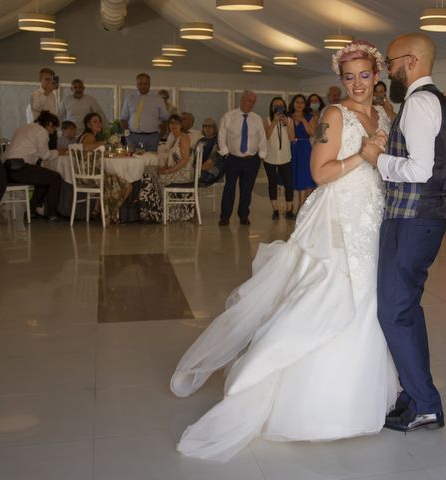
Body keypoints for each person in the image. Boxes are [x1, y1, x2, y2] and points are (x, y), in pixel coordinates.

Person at [170, 40, 397, 462]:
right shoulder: (334, 114)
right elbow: (319, 172)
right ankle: (296, 397)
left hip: (373, 214)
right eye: (350, 77)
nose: (358, 84)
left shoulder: (384, 113)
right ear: (340, 81)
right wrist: (362, 157)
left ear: (377, 75)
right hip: (338, 218)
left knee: (368, 302)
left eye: (365, 75)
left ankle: (356, 401)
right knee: (327, 297)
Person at [360, 32, 446, 432]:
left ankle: (424, 404)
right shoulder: (436, 102)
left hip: (412, 219)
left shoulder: (419, 103)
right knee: (406, 311)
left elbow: (419, 170)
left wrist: (377, 158)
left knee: (395, 312)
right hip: (424, 219)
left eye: (390, 60)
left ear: (412, 61)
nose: (387, 68)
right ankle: (414, 395)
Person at [217, 90, 267, 226]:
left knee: (247, 190)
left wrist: (261, 156)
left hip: (252, 160)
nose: (251, 104)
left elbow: (262, 138)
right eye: (248, 101)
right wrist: (225, 153)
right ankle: (225, 217)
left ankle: (243, 215)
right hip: (232, 159)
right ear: (242, 100)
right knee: (229, 188)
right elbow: (221, 136)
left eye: (253, 102)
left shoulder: (257, 119)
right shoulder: (229, 116)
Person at [2, 111, 64, 222]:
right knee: (55, 178)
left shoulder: (24, 127)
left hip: (5, 170)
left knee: (44, 177)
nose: (53, 131)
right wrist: (58, 152)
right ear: (49, 124)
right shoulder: (41, 132)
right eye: (54, 128)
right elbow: (45, 155)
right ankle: (52, 214)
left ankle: (31, 210)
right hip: (20, 168)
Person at [138, 114, 195, 222]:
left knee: (148, 175)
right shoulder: (175, 138)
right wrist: (163, 168)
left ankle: (154, 211)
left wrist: (168, 171)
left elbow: (185, 160)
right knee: (147, 170)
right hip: (176, 171)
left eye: (176, 123)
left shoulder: (183, 138)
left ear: (181, 125)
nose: (173, 125)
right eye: (171, 123)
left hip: (182, 174)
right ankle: (152, 209)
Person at [78, 112, 131, 224]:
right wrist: (105, 142)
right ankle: (113, 210)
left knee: (109, 177)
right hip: (92, 177)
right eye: (95, 122)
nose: (99, 124)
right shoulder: (89, 136)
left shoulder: (87, 136)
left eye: (99, 121)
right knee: (128, 185)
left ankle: (96, 210)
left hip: (87, 175)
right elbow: (87, 147)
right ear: (88, 125)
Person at [120, 73, 169, 152]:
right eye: (140, 84)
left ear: (149, 84)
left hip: (152, 138)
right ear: (137, 85)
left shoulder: (158, 100)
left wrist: (160, 136)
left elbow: (165, 119)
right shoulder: (129, 99)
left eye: (146, 84)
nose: (143, 86)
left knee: (151, 161)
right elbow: (123, 119)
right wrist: (127, 134)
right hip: (132, 137)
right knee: (132, 161)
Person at [263, 97, 295, 219]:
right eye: (276, 106)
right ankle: (275, 210)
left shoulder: (289, 120)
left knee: (288, 184)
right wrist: (274, 122)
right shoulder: (266, 120)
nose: (278, 108)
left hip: (285, 157)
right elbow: (266, 136)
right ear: (272, 108)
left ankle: (289, 210)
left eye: (281, 106)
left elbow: (292, 138)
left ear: (284, 108)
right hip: (270, 157)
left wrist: (287, 123)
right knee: (272, 183)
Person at [289, 94, 317, 208]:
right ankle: (297, 205)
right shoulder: (289, 117)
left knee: (305, 175)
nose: (299, 104)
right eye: (297, 102)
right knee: (295, 175)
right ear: (293, 104)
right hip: (293, 147)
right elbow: (290, 136)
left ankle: (303, 205)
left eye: (302, 102)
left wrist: (303, 121)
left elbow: (312, 133)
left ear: (305, 105)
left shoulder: (310, 117)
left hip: (305, 147)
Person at [28, 68, 59, 150]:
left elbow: (54, 112)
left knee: (52, 153)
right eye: (46, 79)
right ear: (40, 80)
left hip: (52, 129)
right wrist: (47, 91)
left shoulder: (53, 95)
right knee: (42, 155)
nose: (49, 82)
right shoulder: (36, 94)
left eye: (51, 79)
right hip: (40, 130)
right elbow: (37, 107)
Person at [195, 118, 224, 186]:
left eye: (210, 126)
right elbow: (194, 158)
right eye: (205, 126)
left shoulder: (218, 140)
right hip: (199, 169)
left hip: (214, 168)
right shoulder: (200, 141)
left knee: (200, 177)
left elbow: (212, 161)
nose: (207, 128)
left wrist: (198, 170)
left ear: (214, 128)